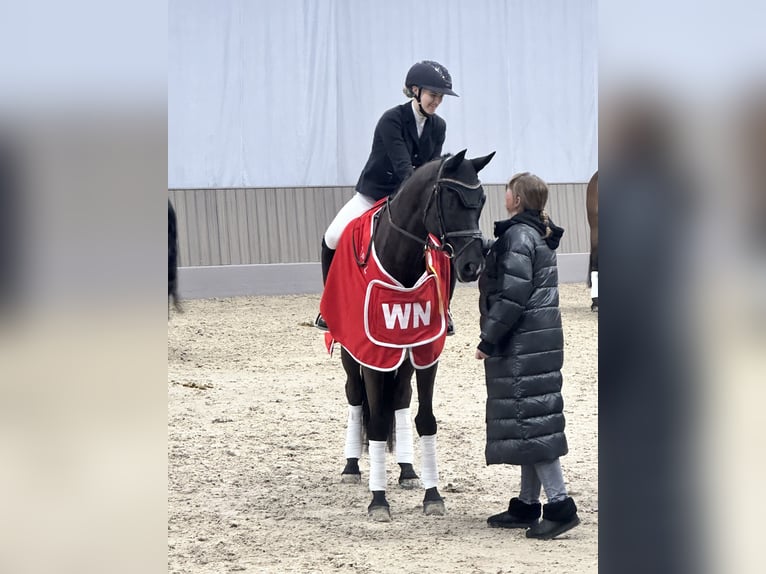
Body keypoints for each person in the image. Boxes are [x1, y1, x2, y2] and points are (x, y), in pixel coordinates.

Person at [316, 60, 459, 334]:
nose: (437, 101)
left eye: (441, 97)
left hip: (411, 202)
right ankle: (328, 307)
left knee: (446, 244)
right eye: (433, 95)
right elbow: (405, 169)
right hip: (375, 194)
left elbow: (430, 169)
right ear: (415, 91)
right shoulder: (392, 120)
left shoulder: (438, 126)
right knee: (332, 237)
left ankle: (445, 310)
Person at [475, 172, 580, 540]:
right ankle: (526, 504)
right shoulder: (532, 232)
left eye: (507, 191)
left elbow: (512, 296)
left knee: (532, 426)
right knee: (528, 424)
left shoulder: (520, 236)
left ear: (516, 199)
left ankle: (559, 505)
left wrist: (488, 340)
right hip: (539, 341)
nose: (503, 195)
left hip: (522, 343)